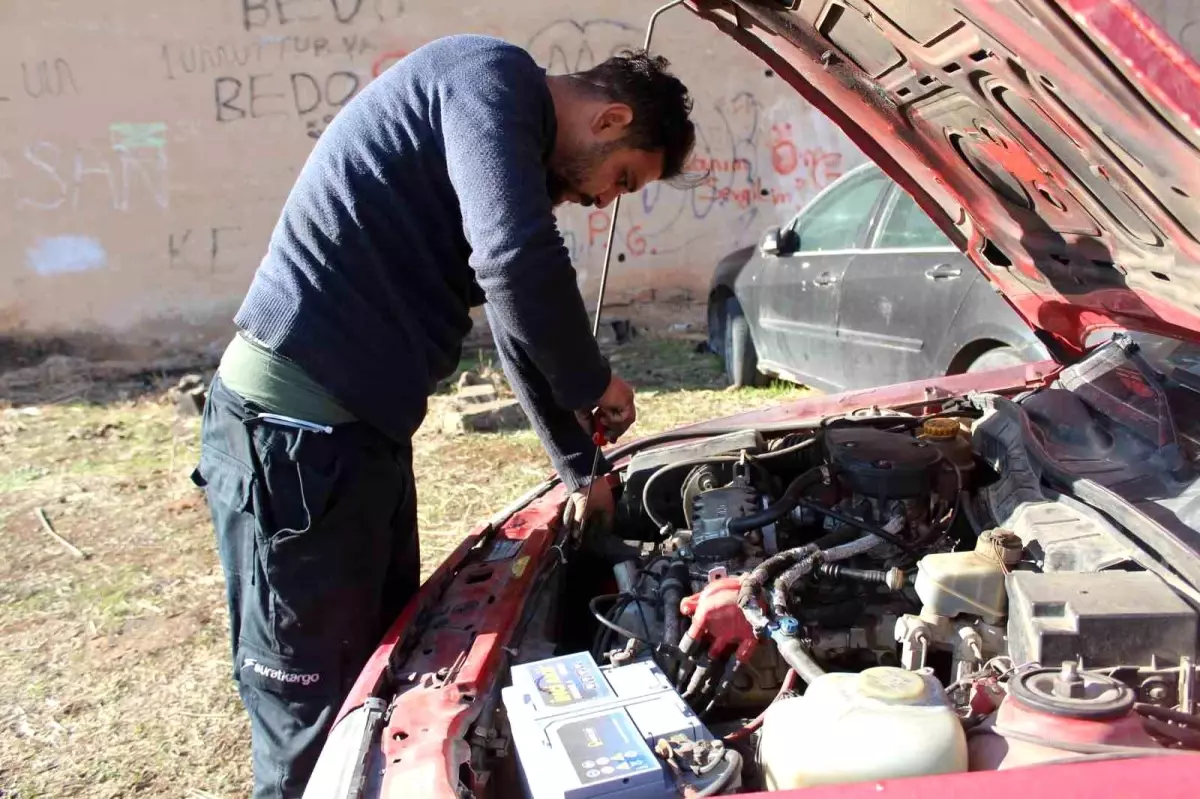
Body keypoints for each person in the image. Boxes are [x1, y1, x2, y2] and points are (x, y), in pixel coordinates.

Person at [189, 33, 697, 799]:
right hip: (290, 448)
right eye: (620, 179)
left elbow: (510, 305)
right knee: (312, 727)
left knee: (379, 692)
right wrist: (594, 378)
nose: (600, 202)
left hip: (357, 447)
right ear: (609, 118)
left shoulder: (496, 134)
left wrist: (579, 465)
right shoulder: (488, 76)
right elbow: (514, 261)